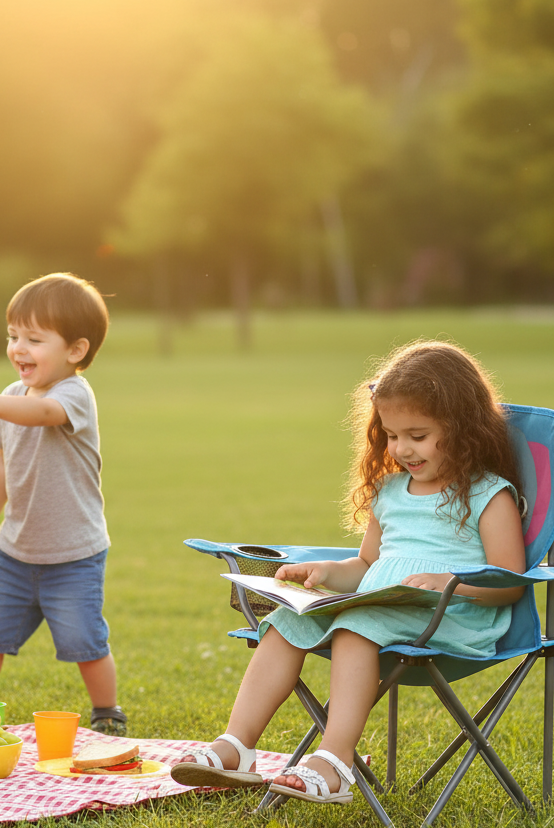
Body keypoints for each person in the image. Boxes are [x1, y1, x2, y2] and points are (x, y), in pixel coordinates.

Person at [171, 340, 526, 802]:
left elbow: (509, 583)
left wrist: (448, 584)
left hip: (452, 618)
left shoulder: (487, 494)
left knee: (356, 624)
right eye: (392, 435)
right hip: (381, 607)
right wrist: (324, 573)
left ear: (463, 429)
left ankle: (335, 762)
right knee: (288, 620)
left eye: (417, 436)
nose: (402, 449)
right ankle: (238, 745)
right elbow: (366, 567)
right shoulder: (391, 491)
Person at [0, 273, 127, 736]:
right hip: (15, 552)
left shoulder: (73, 395)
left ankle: (107, 711)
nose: (18, 348)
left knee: (84, 641)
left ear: (75, 350)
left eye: (33, 338)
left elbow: (44, 414)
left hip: (73, 556)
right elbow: (3, 466)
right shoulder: (11, 399)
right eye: (13, 336)